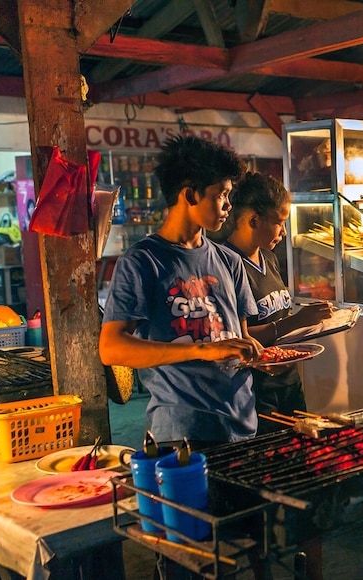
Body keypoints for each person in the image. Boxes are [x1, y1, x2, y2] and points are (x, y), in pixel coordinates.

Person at [99, 135, 262, 447]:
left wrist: (260, 352)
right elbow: (111, 348)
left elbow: (240, 339)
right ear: (189, 195)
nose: (229, 206)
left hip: (241, 422)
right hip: (182, 431)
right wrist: (199, 351)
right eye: (221, 195)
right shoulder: (142, 262)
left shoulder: (229, 261)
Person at [217, 172, 333, 432]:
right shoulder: (225, 265)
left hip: (289, 380)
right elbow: (236, 336)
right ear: (253, 220)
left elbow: (278, 317)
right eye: (279, 223)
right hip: (257, 390)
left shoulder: (268, 258)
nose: (283, 232)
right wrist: (298, 320)